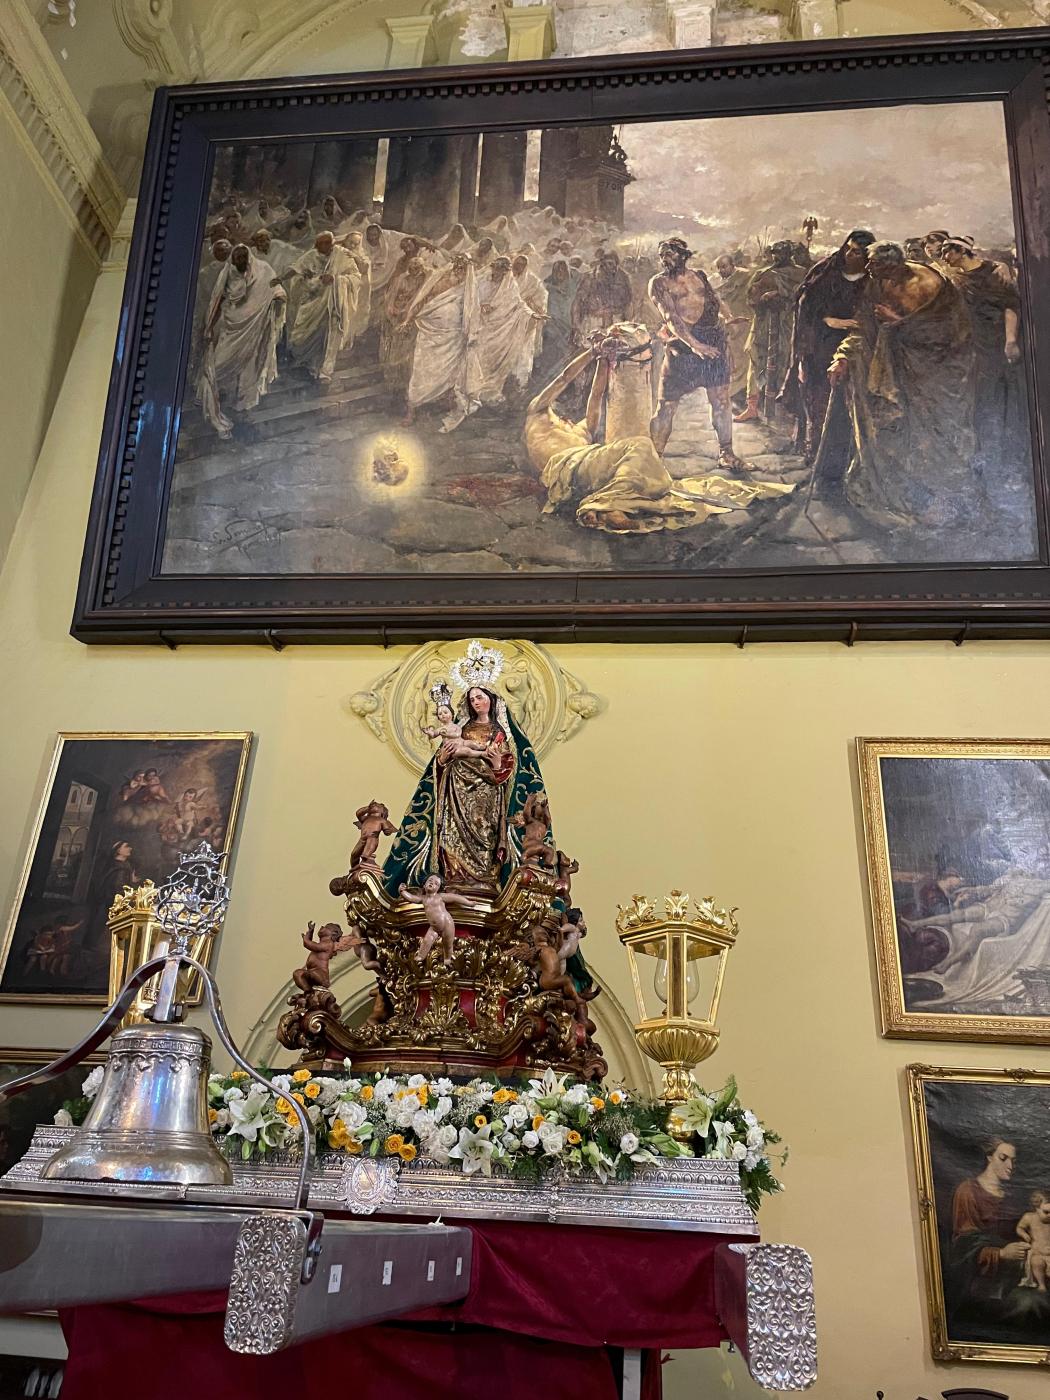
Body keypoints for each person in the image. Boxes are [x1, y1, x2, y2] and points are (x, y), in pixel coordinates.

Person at [524, 338, 792, 534]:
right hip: (568, 467)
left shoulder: (578, 430)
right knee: (640, 445)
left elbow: (596, 396)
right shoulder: (538, 412)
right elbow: (562, 378)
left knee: (648, 471)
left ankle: (611, 506)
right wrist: (591, 353)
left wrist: (605, 361)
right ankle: (604, 503)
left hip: (581, 470)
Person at [827, 240, 977, 530]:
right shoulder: (877, 284)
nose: (867, 268)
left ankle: (943, 504)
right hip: (892, 373)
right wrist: (843, 357)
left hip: (935, 376)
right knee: (891, 434)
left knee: (934, 438)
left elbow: (946, 336)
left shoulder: (929, 286)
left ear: (892, 265)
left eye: (874, 264)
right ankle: (898, 495)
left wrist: (898, 322)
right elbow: (864, 327)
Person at [383, 684, 548, 895]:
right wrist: (442, 759)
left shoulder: (500, 732)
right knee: (452, 832)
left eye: (480, 697)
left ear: (491, 699)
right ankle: (454, 877)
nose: (476, 702)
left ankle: (484, 878)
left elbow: (508, 768)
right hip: (455, 790)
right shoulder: (461, 728)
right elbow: (440, 764)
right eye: (472, 699)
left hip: (487, 793)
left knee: (484, 830)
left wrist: (497, 764)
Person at [648, 237, 749, 470]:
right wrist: (694, 345)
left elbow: (715, 299)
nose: (664, 259)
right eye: (662, 255)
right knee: (666, 405)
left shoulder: (699, 276)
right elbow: (671, 318)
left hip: (712, 343)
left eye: (669, 254)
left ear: (683, 255)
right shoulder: (659, 283)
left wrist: (728, 316)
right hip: (683, 347)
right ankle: (653, 457)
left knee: (722, 401)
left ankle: (727, 453)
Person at [779, 229, 875, 461]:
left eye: (858, 253)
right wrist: (829, 320)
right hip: (820, 344)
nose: (851, 255)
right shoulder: (827, 272)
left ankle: (845, 455)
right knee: (818, 396)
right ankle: (817, 450)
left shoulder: (872, 279)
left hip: (856, 345)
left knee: (849, 402)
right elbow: (805, 306)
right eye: (849, 249)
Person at [941, 234, 1025, 473]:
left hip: (995, 342)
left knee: (999, 398)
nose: (945, 257)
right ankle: (977, 454)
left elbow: (1010, 307)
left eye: (949, 251)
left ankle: (1006, 459)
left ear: (961, 251)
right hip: (969, 344)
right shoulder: (955, 278)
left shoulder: (994, 273)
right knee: (974, 399)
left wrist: (1010, 341)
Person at [198, 243, 286, 438]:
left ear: (248, 257)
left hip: (255, 330)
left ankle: (244, 407)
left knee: (250, 368)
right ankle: (211, 404)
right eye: (236, 258)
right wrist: (208, 328)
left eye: (243, 258)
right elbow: (216, 301)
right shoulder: (227, 273)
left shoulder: (263, 269)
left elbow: (275, 286)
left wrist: (279, 297)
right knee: (217, 366)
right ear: (232, 259)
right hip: (231, 328)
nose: (240, 262)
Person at [949, 1138, 1031, 1322]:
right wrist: (1001, 1253)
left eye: (1013, 1160)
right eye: (1003, 1158)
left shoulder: (1013, 1197)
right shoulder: (968, 1191)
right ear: (989, 1157)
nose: (1010, 1165)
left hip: (1013, 1277)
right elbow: (962, 1246)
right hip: (980, 1282)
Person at [403, 253, 482, 431]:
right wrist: (408, 320)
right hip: (429, 332)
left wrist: (470, 335)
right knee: (420, 371)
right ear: (453, 265)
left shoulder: (469, 287)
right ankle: (411, 410)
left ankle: (444, 403)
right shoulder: (439, 278)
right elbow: (422, 298)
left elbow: (471, 313)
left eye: (463, 268)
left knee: (449, 375)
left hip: (452, 338)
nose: (459, 270)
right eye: (457, 266)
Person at [736, 239, 807, 423]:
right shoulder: (764, 273)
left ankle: (784, 406)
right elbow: (750, 297)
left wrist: (781, 295)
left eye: (781, 253)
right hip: (763, 324)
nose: (777, 257)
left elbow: (802, 296)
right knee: (755, 359)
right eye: (775, 253)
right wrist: (762, 298)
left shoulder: (801, 273)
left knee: (786, 360)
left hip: (788, 323)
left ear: (789, 254)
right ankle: (752, 407)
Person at [287, 232, 361, 383]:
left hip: (335, 303)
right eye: (323, 243)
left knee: (331, 335)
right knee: (311, 334)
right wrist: (315, 281)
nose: (327, 246)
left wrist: (336, 279)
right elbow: (297, 274)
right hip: (314, 302)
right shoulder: (310, 256)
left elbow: (356, 277)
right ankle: (311, 364)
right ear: (316, 244)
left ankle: (326, 371)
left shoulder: (342, 255)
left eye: (330, 243)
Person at [477, 257, 536, 406]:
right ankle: (473, 390)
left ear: (505, 272)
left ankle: (489, 392)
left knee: (495, 361)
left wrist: (532, 314)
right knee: (478, 357)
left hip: (500, 329)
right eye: (496, 268)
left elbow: (519, 303)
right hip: (480, 325)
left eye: (501, 270)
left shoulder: (510, 285)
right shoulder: (482, 282)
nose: (497, 272)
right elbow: (472, 299)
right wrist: (481, 306)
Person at [398, 873, 484, 963]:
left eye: (436, 883)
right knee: (427, 941)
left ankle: (447, 958)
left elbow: (455, 898)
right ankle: (420, 956)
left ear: (439, 888)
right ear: (424, 885)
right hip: (433, 927)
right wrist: (402, 891)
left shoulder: (440, 897)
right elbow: (411, 898)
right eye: (430, 881)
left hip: (447, 924)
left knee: (448, 944)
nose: (432, 883)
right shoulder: (422, 899)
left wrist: (469, 903)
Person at [379, 253, 429, 392]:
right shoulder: (401, 279)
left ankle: (405, 380)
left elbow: (419, 300)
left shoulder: (424, 282)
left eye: (418, 267)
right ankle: (391, 379)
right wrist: (393, 310)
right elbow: (391, 298)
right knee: (394, 346)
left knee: (408, 348)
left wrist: (408, 312)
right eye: (412, 266)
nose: (415, 269)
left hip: (413, 315)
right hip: (396, 314)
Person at [714, 252, 754, 410]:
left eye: (724, 267)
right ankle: (735, 393)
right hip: (729, 325)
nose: (721, 270)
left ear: (732, 265)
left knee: (744, 358)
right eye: (719, 268)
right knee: (732, 359)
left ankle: (741, 393)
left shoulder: (745, 277)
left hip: (746, 322)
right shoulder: (718, 283)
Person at [571, 251, 632, 346]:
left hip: (616, 322)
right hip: (594, 322)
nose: (613, 268)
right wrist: (576, 326)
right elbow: (578, 302)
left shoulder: (623, 277)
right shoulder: (590, 278)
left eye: (615, 264)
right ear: (602, 263)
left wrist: (628, 325)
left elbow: (628, 303)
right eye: (609, 264)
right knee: (591, 352)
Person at [511, 253, 549, 384]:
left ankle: (519, 380)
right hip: (507, 319)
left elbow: (541, 297)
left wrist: (532, 304)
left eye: (521, 264)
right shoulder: (507, 277)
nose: (518, 266)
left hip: (526, 319)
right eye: (516, 263)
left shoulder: (533, 281)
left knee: (522, 350)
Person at [1016, 1190, 1050, 1291]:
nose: (1049, 1215)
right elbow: (1020, 1228)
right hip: (1038, 1253)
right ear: (1036, 1208)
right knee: (1036, 1262)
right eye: (1046, 1212)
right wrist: (1024, 1234)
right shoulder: (1029, 1217)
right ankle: (1041, 1284)